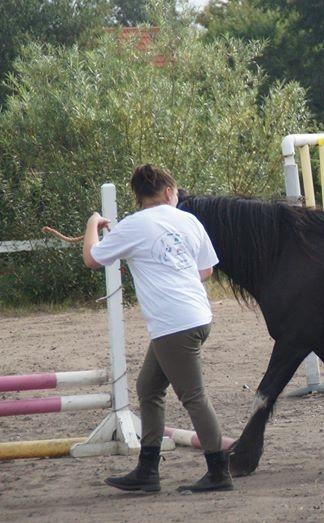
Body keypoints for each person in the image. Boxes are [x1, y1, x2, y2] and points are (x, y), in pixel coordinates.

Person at [82, 164, 233, 492]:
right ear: (168, 192)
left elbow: (92, 259)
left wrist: (93, 223)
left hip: (173, 323)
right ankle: (147, 470)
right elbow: (205, 269)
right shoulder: (189, 220)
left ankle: (219, 472)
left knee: (193, 395)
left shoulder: (133, 225)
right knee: (148, 387)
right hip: (195, 316)